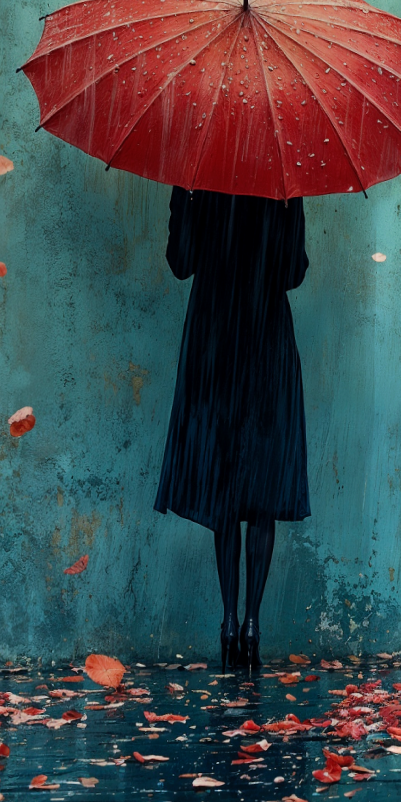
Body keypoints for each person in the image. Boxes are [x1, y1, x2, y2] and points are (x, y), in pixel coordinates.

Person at [153, 185, 310, 666]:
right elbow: (292, 272)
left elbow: (181, 262)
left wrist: (185, 197)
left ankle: (226, 620)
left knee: (224, 478)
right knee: (262, 481)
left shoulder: (202, 178)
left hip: (214, 339)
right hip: (265, 337)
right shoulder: (282, 183)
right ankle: (252, 623)